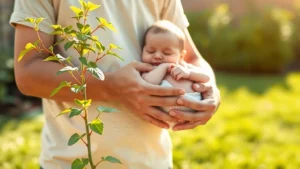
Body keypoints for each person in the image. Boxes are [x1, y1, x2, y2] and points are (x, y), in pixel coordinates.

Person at [10, 0, 220, 169]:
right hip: (71, 163)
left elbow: (190, 59)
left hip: (152, 161)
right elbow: (28, 72)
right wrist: (111, 87)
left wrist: (210, 91)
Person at [141, 20, 210, 127]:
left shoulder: (184, 66)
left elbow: (206, 78)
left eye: (167, 53)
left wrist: (189, 74)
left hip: (193, 104)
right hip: (166, 113)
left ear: (181, 56)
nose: (158, 56)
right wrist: (163, 67)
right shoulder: (149, 70)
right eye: (150, 51)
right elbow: (148, 84)